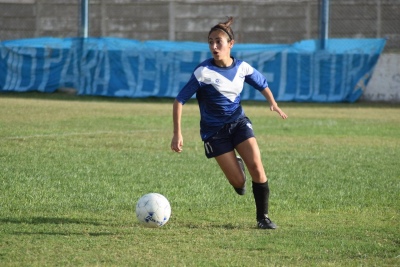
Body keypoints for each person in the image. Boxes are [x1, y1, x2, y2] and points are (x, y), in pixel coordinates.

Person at [170, 17, 288, 229]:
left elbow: (262, 83)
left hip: (239, 123)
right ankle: (237, 167)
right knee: (239, 183)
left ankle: (263, 218)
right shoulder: (203, 72)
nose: (214, 46)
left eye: (219, 42)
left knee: (257, 167)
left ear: (230, 44)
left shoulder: (242, 67)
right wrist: (177, 133)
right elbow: (179, 100)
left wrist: (273, 103)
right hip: (214, 133)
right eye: (210, 42)